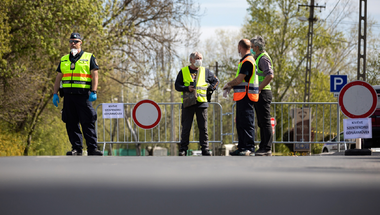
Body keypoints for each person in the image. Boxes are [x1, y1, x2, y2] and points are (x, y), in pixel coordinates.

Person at [52, 32, 103, 156]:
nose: (73, 43)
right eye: (71, 41)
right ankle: (77, 148)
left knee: (88, 121)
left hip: (84, 95)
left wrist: (94, 91)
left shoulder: (89, 57)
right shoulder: (64, 59)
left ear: (81, 43)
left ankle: (92, 149)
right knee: (71, 122)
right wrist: (55, 93)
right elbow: (58, 77)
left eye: (76, 41)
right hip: (68, 96)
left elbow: (95, 75)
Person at [175, 52, 219, 156]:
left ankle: (205, 148)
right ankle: (183, 149)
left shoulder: (205, 71)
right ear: (191, 59)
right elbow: (177, 85)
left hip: (201, 103)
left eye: (200, 58)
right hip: (188, 103)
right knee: (186, 127)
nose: (199, 60)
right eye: (197, 58)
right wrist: (186, 88)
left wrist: (210, 89)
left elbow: (216, 81)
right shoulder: (183, 71)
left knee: (203, 127)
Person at [223, 39, 259, 156]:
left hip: (246, 96)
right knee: (240, 122)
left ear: (240, 47)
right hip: (242, 96)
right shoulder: (244, 61)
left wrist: (228, 84)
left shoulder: (248, 61)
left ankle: (249, 147)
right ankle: (242, 146)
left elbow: (239, 79)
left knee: (247, 122)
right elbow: (242, 81)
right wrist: (232, 87)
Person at [250, 35, 274, 156]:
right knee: (261, 122)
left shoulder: (263, 58)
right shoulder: (258, 57)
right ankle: (263, 146)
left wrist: (259, 88)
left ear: (257, 47)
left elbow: (270, 75)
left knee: (265, 121)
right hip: (260, 92)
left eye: (252, 47)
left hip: (263, 92)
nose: (251, 49)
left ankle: (267, 147)